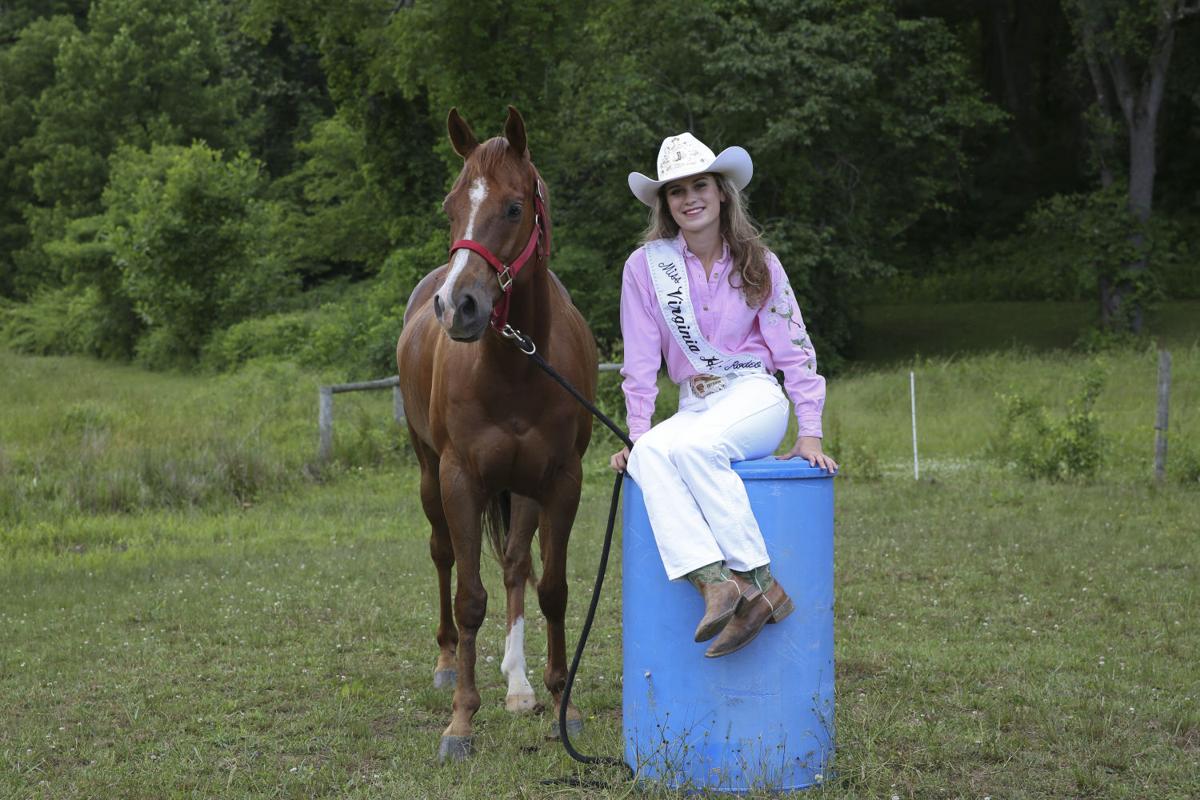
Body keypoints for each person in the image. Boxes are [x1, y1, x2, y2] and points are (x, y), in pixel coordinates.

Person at [610, 132, 837, 658]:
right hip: (695, 402)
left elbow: (795, 351)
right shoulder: (646, 269)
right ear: (665, 204)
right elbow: (640, 363)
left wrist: (810, 431)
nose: (690, 198)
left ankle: (752, 582)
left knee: (694, 449)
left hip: (755, 396)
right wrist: (637, 436)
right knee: (648, 458)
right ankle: (724, 584)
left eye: (700, 185)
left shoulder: (759, 261)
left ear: (722, 192)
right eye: (675, 191)